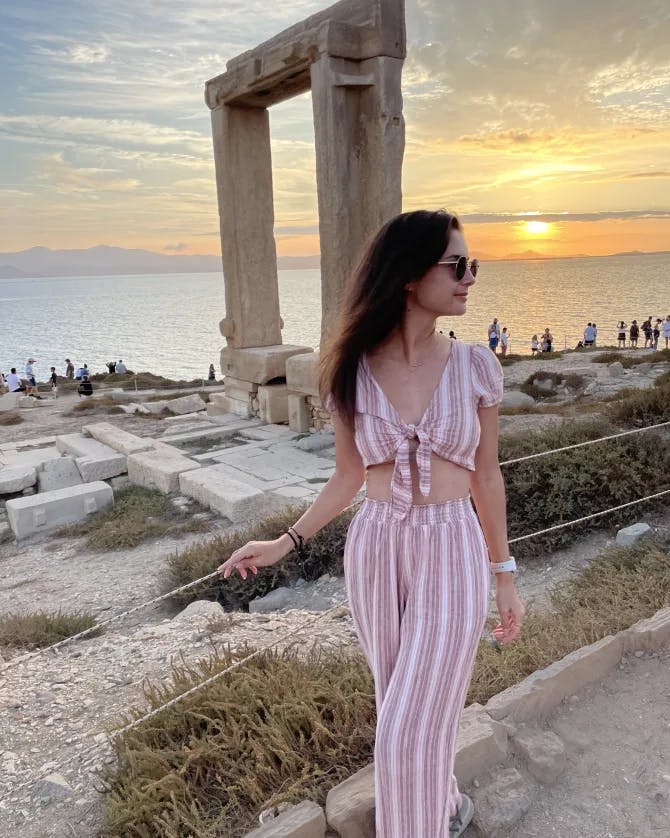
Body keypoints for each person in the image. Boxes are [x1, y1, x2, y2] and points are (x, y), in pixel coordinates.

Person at [218, 210, 524, 838]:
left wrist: (505, 573)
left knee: (406, 728)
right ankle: (440, 806)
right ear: (411, 275)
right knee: (400, 707)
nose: (470, 277)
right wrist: (285, 542)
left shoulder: (475, 367)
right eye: (457, 265)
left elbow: (486, 476)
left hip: (451, 545)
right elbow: (348, 477)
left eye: (473, 266)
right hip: (377, 548)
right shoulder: (352, 371)